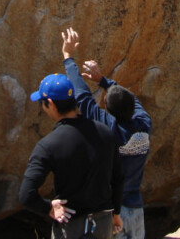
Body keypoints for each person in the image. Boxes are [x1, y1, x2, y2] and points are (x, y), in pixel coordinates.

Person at [60, 28, 152, 239]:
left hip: (112, 212)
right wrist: (103, 80)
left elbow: (82, 97)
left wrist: (68, 57)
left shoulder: (109, 129)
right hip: (135, 209)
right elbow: (132, 99)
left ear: (108, 111)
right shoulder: (145, 124)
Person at [19, 73, 124, 239]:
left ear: (51, 104)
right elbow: (118, 178)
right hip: (102, 225)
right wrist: (116, 213)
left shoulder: (48, 145)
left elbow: (26, 195)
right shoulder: (105, 133)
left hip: (70, 227)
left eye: (42, 103)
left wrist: (49, 207)